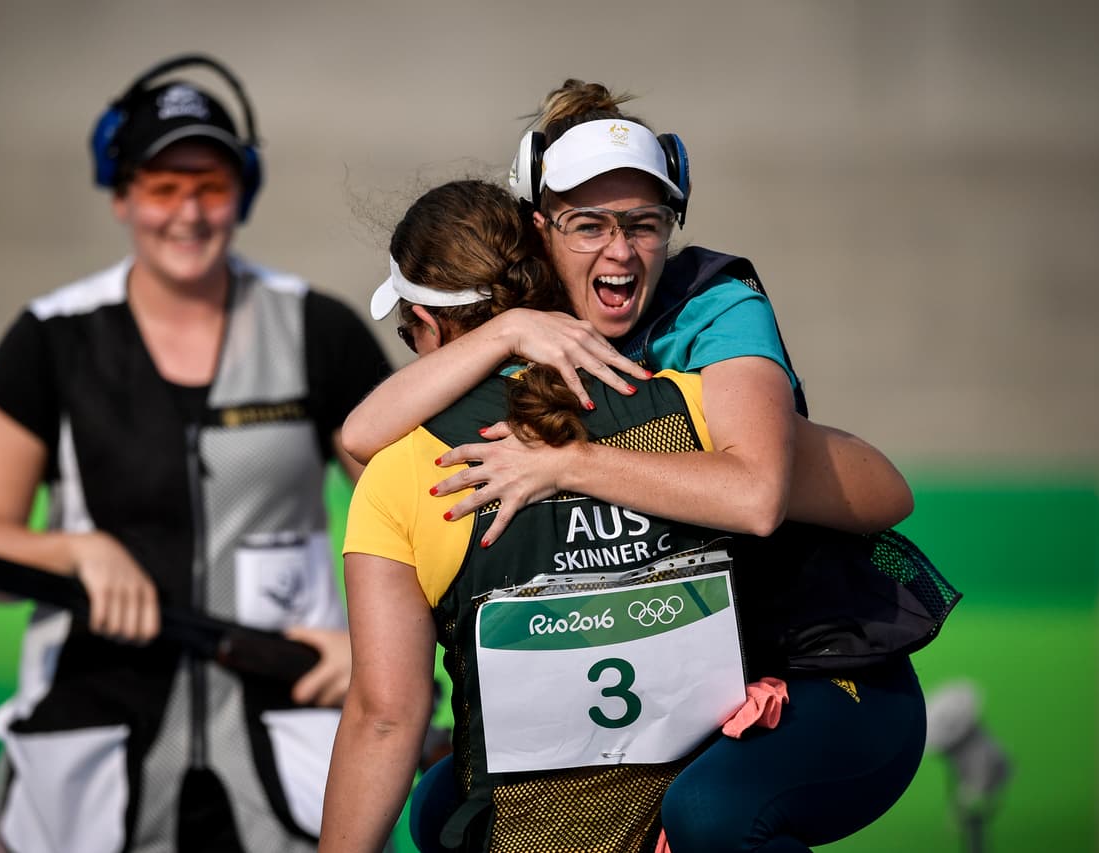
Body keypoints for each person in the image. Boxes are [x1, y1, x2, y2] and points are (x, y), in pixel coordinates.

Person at [339, 80, 930, 851]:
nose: (619, 248)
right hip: (710, 680)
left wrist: (572, 462)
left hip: (823, 662)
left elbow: (786, 497)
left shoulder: (711, 322)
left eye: (644, 225)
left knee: (707, 817)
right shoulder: (558, 348)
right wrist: (507, 331)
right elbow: (359, 435)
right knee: (448, 802)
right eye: (589, 224)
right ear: (540, 232)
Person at [0, 54, 391, 853]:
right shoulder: (52, 339)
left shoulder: (319, 330)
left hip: (291, 746)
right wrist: (73, 551)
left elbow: (418, 524)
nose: (188, 212)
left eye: (210, 185)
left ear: (242, 191)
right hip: (91, 754)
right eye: (162, 186)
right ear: (121, 194)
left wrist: (372, 650)